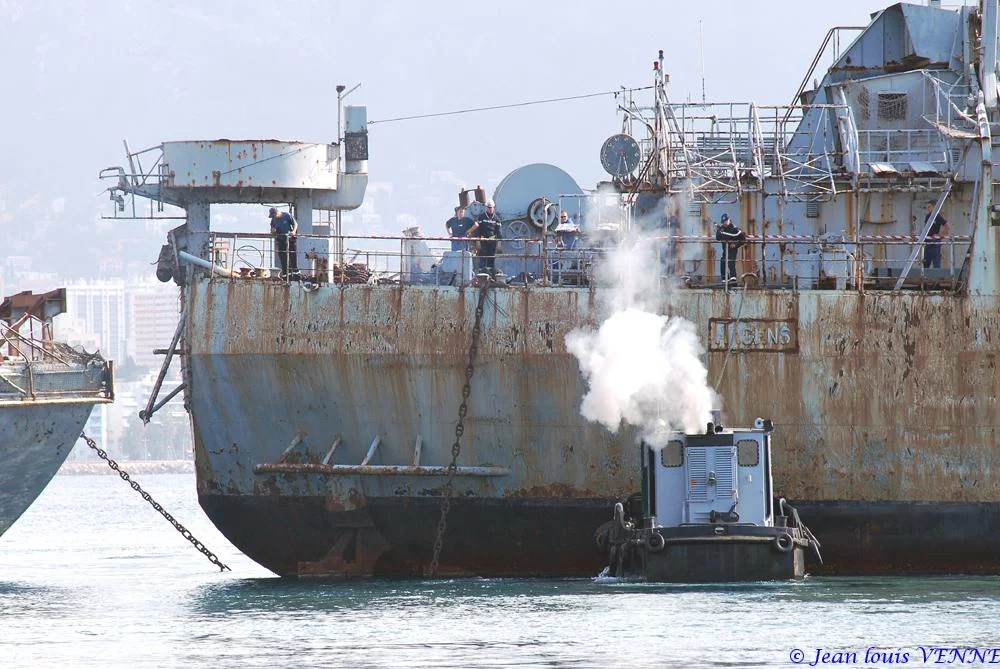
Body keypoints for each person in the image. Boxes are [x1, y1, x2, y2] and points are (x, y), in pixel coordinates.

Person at [469, 199, 503, 274]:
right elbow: (477, 230)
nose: (490, 209)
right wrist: (478, 241)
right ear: (486, 208)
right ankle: (481, 273)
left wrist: (499, 243)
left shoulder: (497, 219)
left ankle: (491, 273)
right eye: (488, 207)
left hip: (492, 242)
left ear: (494, 207)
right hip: (483, 241)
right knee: (482, 257)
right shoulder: (481, 217)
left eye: (491, 207)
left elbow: (498, 231)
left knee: (491, 257)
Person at [269, 207, 299, 277]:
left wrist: (293, 231)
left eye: (274, 215)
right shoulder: (273, 220)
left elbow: (295, 224)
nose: (273, 217)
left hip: (290, 239)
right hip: (281, 240)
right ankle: (286, 275)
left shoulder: (287, 215)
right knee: (283, 258)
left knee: (292, 256)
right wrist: (273, 231)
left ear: (277, 213)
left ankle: (295, 274)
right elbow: (272, 229)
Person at [715, 213, 745, 282]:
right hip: (725, 249)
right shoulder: (722, 228)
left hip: (732, 250)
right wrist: (718, 230)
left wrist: (736, 245)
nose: (724, 223)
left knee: (731, 263)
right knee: (723, 262)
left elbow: (743, 239)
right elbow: (718, 238)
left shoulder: (734, 229)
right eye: (723, 222)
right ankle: (725, 279)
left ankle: (733, 280)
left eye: (726, 221)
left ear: (729, 220)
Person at [922, 201, 949, 269]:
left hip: (935, 242)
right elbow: (925, 228)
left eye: (929, 207)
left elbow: (947, 226)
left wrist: (939, 235)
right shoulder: (928, 216)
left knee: (936, 262)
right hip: (928, 242)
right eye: (927, 207)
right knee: (925, 262)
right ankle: (925, 275)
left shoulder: (937, 216)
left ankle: (937, 275)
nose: (928, 208)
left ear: (934, 207)